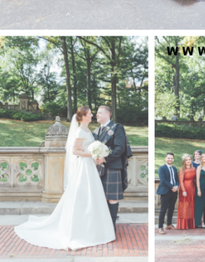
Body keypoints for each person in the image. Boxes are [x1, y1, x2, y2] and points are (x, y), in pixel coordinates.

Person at [15, 107, 115, 249]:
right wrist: (92, 154)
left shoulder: (88, 130)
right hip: (83, 166)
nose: (92, 115)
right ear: (84, 116)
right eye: (90, 113)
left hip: (90, 166)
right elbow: (75, 150)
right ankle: (78, 230)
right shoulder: (80, 131)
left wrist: (95, 155)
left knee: (92, 195)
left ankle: (94, 229)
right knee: (82, 195)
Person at [91, 105, 132, 233]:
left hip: (112, 167)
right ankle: (102, 226)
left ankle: (111, 228)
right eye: (96, 113)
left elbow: (120, 148)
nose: (96, 115)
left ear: (107, 114)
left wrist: (105, 159)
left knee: (112, 198)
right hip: (98, 170)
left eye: (99, 113)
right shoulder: (96, 130)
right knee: (100, 198)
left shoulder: (117, 127)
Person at [157, 152, 179, 235]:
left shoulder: (174, 168)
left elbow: (177, 179)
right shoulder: (161, 168)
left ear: (173, 159)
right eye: (168, 158)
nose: (170, 159)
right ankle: (160, 227)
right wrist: (172, 187)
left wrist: (176, 186)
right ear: (165, 159)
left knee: (172, 208)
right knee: (163, 209)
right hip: (165, 191)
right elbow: (163, 180)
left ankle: (169, 224)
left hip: (174, 191)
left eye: (172, 158)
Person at [177, 154, 196, 229]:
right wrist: (183, 190)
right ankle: (184, 225)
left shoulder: (194, 169)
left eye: (189, 159)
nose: (188, 161)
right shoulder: (182, 170)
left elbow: (195, 179)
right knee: (185, 206)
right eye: (186, 160)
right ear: (184, 161)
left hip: (192, 188)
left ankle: (190, 224)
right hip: (185, 188)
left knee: (191, 205)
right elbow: (181, 181)